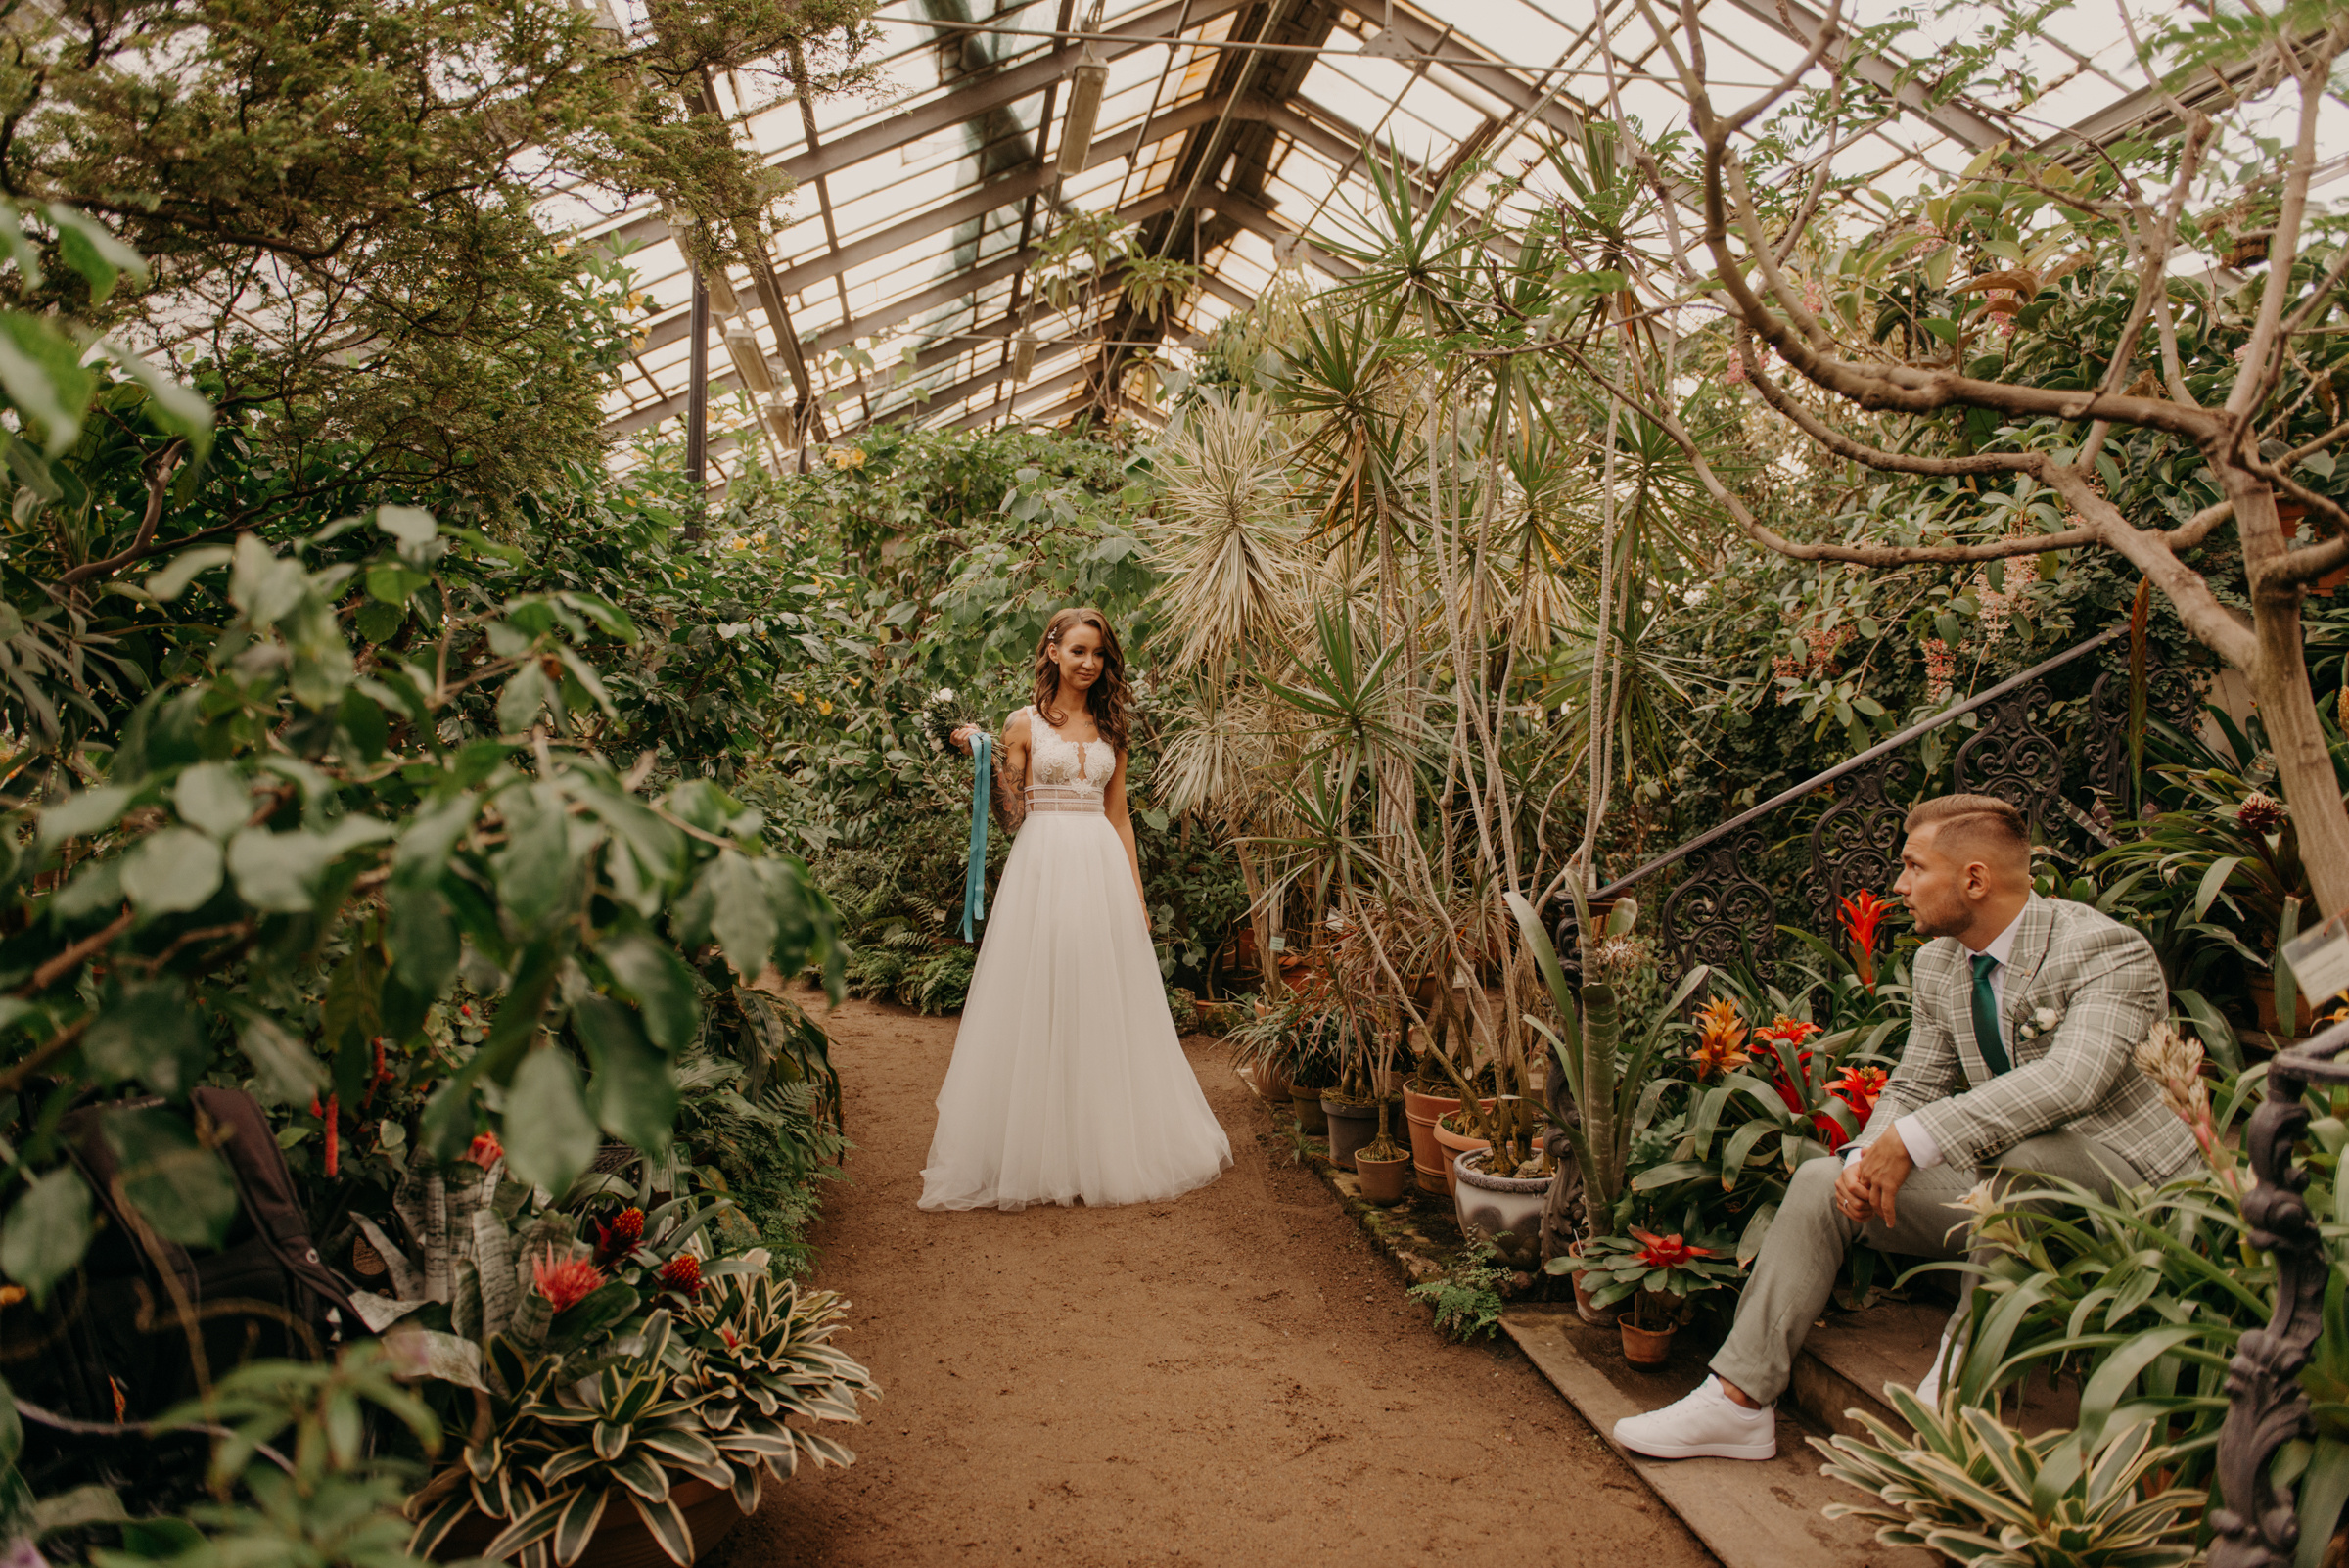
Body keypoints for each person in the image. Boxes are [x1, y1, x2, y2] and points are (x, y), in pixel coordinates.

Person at [1612, 793, 2196, 1460]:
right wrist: (1865, 1157)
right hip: (2009, 1185)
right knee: (1822, 1181)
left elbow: (2071, 1081)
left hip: (2133, 1196)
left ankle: (1959, 1389)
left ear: (1974, 879)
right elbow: (1916, 1084)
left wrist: (1918, 1140)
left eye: (1915, 866)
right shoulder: (1940, 962)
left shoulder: (2103, 950)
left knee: (2026, 1162)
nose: (1898, 884)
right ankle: (1738, 1401)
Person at [917, 607, 1234, 1212]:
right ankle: (1039, 1149)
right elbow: (1012, 816)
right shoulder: (1025, 723)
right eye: (1079, 651)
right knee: (1044, 991)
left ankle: (1101, 1143)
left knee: (1100, 996)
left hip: (1102, 869)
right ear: (1054, 652)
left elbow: (1119, 815)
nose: (1089, 663)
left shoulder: (1111, 727)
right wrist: (985, 758)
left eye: (1099, 653)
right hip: (1044, 866)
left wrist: (1136, 894)